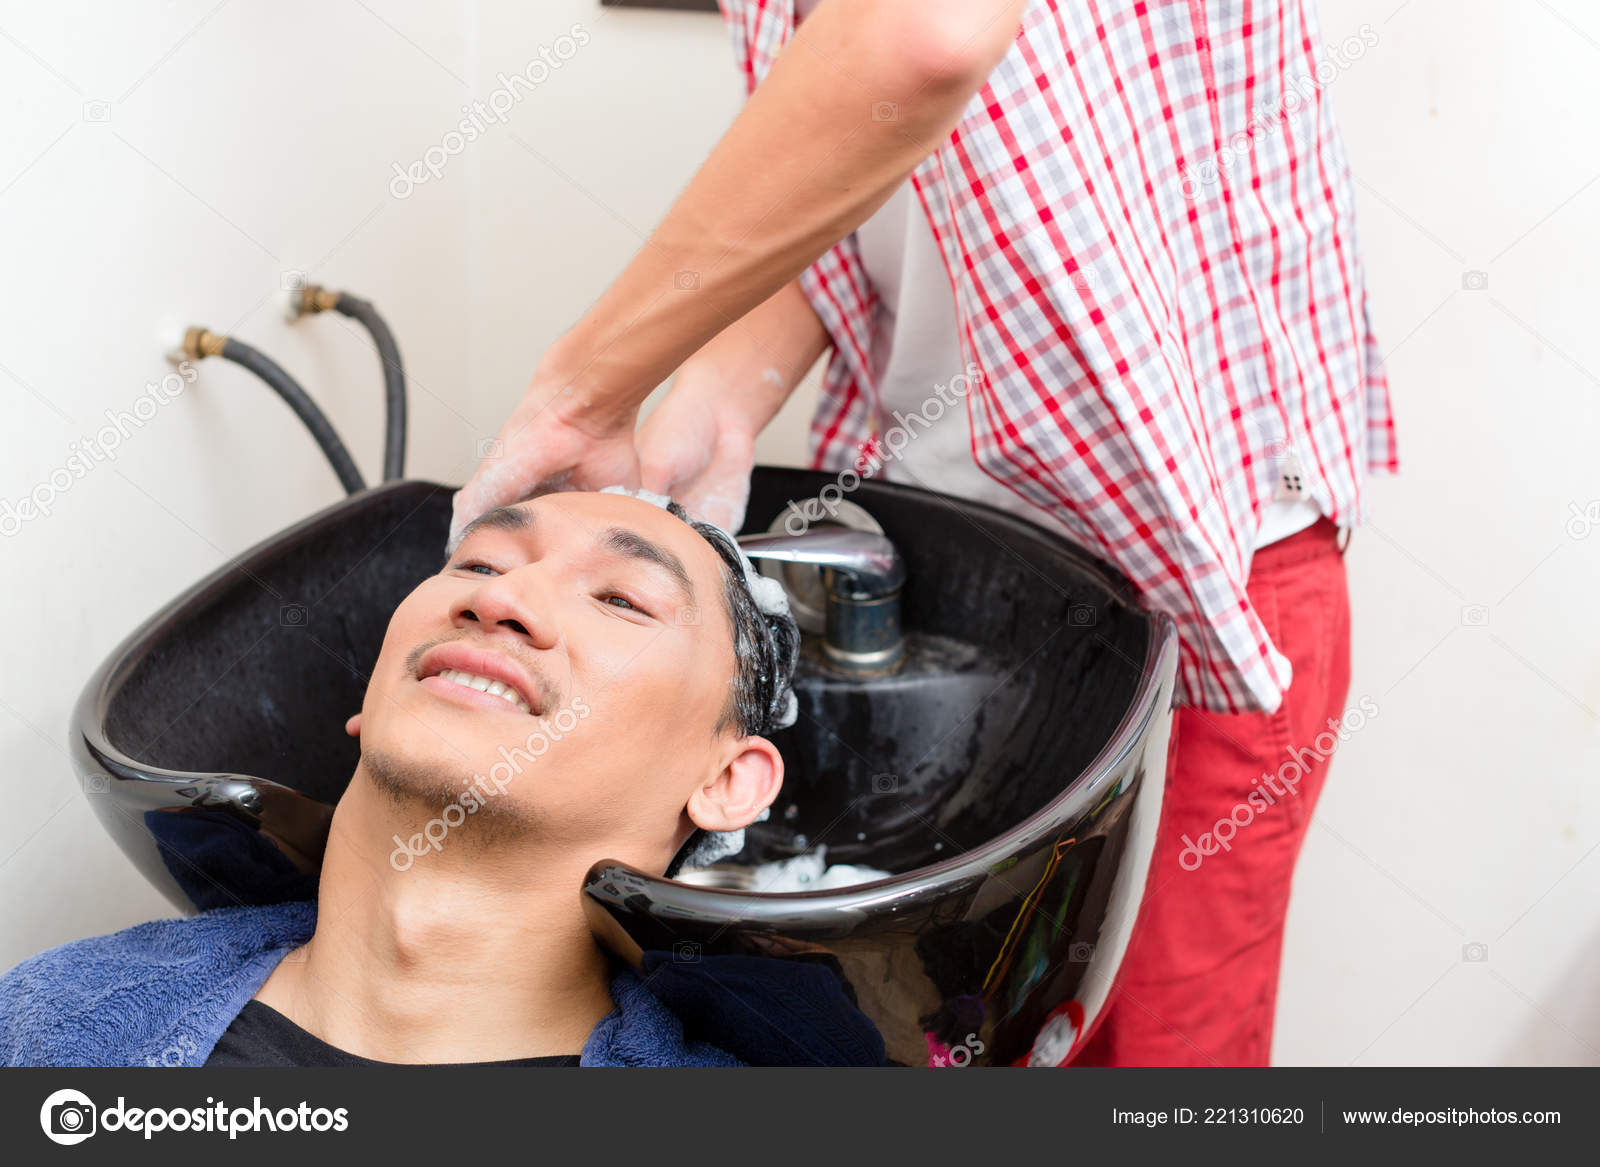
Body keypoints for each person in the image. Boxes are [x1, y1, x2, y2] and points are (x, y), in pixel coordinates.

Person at [452, 0, 1398, 1066]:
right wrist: (719, 392)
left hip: (1198, 577)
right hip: (957, 536)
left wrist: (583, 393)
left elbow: (926, 34)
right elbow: (890, 149)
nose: (493, 604)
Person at [0, 488, 818, 1067]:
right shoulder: (51, 1025)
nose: (505, 600)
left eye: (621, 598)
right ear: (371, 700)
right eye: (479, 563)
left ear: (730, 781)